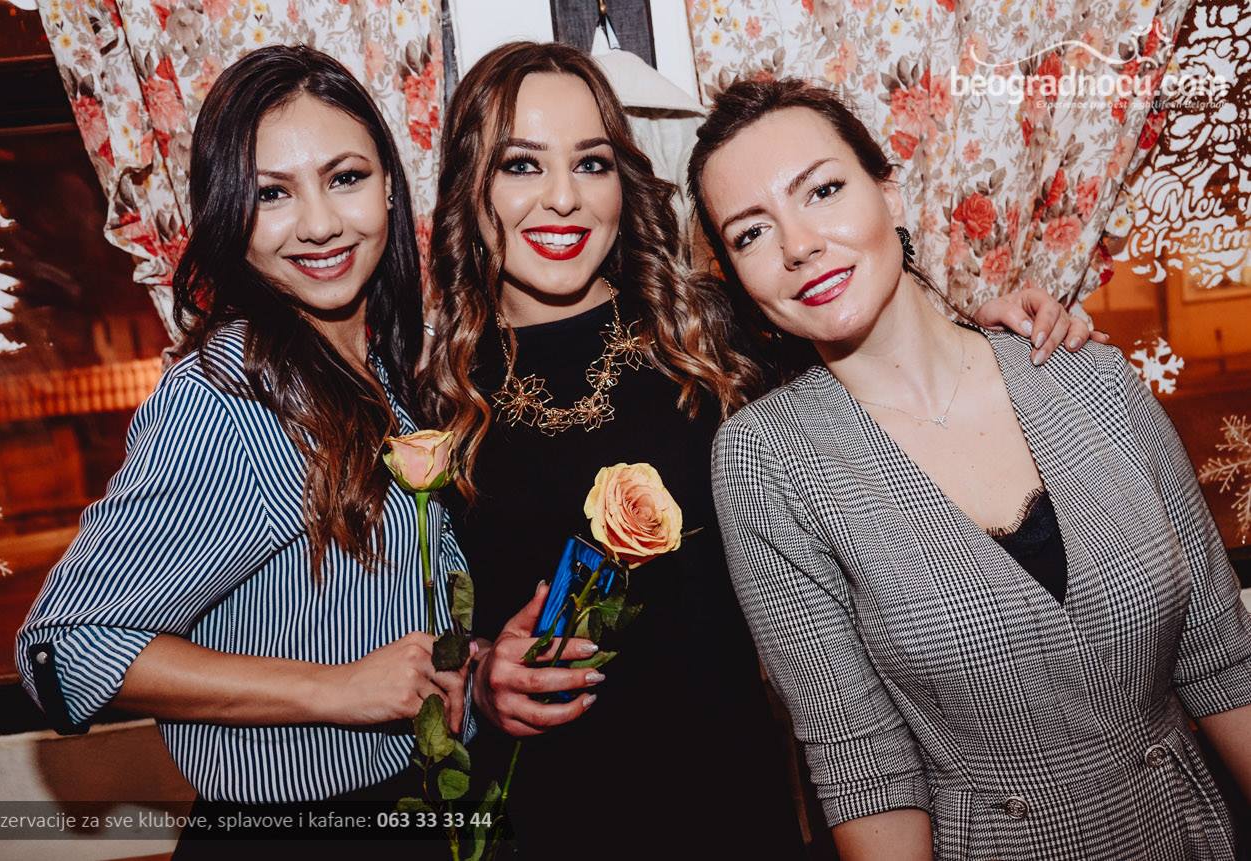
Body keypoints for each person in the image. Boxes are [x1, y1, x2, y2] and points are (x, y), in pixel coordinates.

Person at [417, 41, 1097, 859]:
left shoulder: (713, 332)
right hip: (552, 818)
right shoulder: (432, 403)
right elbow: (423, 643)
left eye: (591, 163)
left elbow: (883, 348)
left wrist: (989, 329)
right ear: (471, 184)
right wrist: (480, 681)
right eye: (521, 165)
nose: (564, 197)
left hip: (744, 807)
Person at [694, 77, 1251, 860]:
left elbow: (1222, 656)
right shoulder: (768, 460)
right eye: (752, 232)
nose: (798, 245)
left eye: (823, 190)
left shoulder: (1085, 375)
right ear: (736, 276)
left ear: (889, 192)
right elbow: (865, 771)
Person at [15, 45, 472, 858]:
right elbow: (67, 649)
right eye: (272, 193)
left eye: (344, 177)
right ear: (230, 215)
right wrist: (336, 689)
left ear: (390, 186)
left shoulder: (383, 364)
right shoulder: (226, 397)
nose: (320, 224)